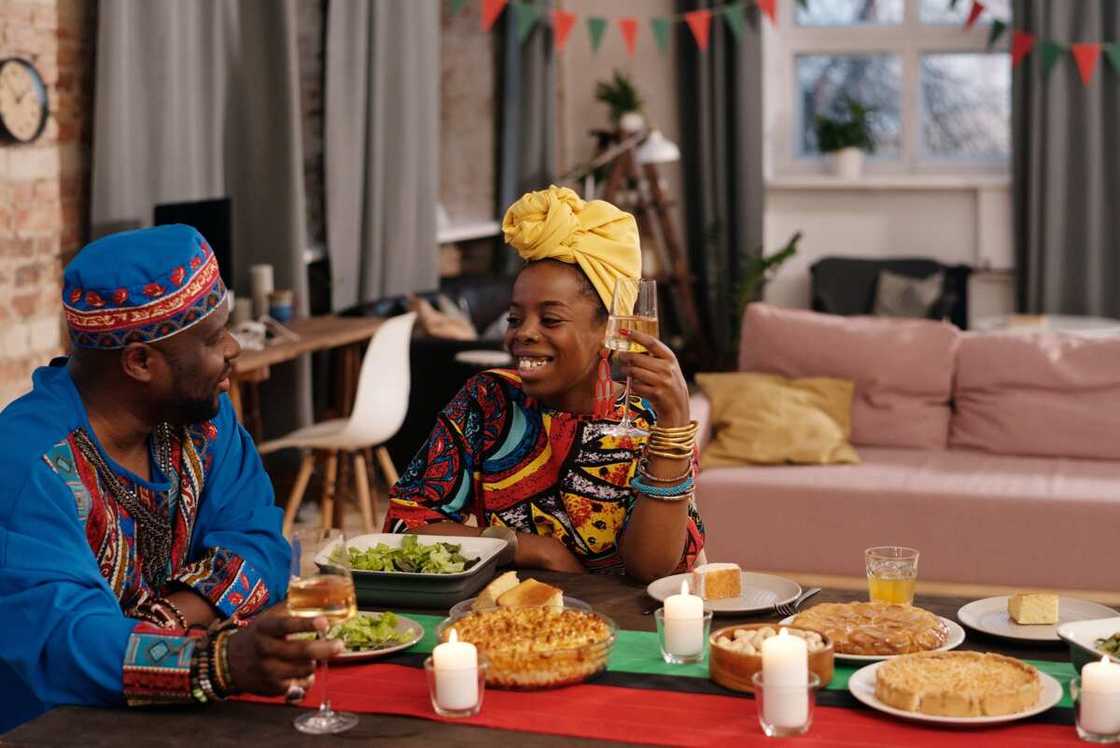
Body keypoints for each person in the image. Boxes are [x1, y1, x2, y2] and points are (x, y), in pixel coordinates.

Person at [0, 225, 341, 732]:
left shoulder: (203, 421)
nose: (232, 349)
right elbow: (66, 640)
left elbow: (260, 545)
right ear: (140, 361)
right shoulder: (29, 463)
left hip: (181, 715)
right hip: (54, 729)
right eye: (211, 338)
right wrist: (218, 663)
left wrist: (167, 620)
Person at [384, 186, 705, 581]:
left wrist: (673, 428)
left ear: (609, 328)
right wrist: (531, 548)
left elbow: (651, 573)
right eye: (515, 319)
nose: (524, 334)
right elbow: (406, 527)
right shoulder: (488, 401)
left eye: (550, 320)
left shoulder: (649, 420)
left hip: (629, 630)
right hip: (515, 624)